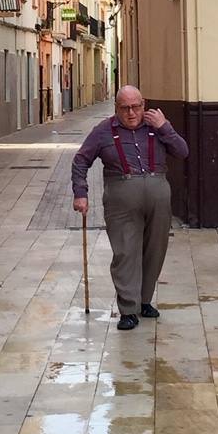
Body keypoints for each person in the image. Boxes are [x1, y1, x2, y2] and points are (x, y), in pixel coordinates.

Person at [72, 86, 189, 330]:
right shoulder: (103, 130)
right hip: (120, 197)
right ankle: (128, 309)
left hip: (158, 193)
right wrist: (80, 194)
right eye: (125, 108)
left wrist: (164, 127)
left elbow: (182, 151)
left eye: (136, 107)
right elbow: (81, 160)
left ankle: (144, 301)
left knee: (154, 250)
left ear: (143, 104)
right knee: (125, 251)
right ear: (116, 108)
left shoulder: (157, 126)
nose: (132, 113)